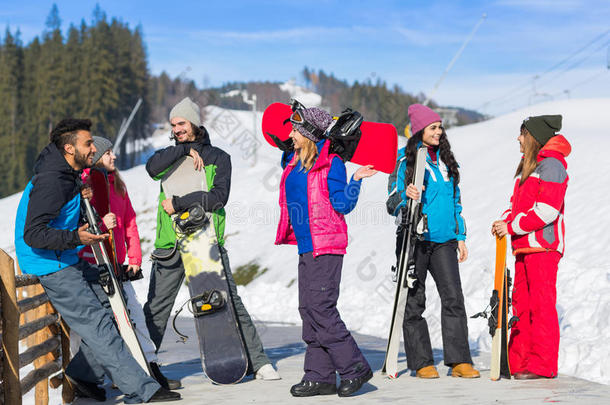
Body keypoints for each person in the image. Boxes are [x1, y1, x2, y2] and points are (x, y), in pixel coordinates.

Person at [14, 118, 180, 403]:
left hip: (65, 254)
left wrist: (79, 207)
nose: (94, 148)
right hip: (50, 262)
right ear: (69, 148)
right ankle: (140, 390)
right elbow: (33, 233)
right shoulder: (52, 181)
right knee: (98, 322)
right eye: (88, 143)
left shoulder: (69, 174)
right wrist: (77, 238)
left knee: (112, 310)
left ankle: (83, 375)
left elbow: (60, 218)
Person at [143, 97, 280, 380]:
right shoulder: (169, 155)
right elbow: (151, 168)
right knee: (157, 309)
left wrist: (180, 202)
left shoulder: (219, 158)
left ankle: (258, 361)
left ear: (194, 122)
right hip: (170, 243)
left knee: (228, 300)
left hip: (205, 243)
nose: (177, 128)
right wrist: (183, 151)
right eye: (173, 125)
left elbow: (218, 198)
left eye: (181, 123)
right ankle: (143, 366)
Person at [271, 103, 376, 397]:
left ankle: (354, 367)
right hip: (306, 246)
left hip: (327, 245)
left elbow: (342, 204)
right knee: (308, 310)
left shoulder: (332, 164)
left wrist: (355, 181)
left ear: (308, 134)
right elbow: (284, 153)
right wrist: (283, 146)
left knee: (321, 308)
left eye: (295, 130)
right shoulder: (293, 163)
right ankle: (320, 376)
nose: (290, 134)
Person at [74, 136, 180, 390]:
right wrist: (101, 224)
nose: (114, 157)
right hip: (96, 263)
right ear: (96, 155)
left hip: (118, 264)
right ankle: (92, 375)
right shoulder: (87, 184)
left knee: (134, 318)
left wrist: (134, 258)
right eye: (108, 153)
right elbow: (81, 223)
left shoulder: (118, 185)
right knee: (110, 323)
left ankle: (149, 367)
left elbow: (130, 222)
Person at [387, 104, 479, 379]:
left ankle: (460, 360)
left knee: (453, 298)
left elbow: (455, 202)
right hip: (414, 240)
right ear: (419, 132)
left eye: (440, 127)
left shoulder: (447, 162)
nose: (439, 132)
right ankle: (422, 361)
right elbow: (392, 202)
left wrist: (460, 236)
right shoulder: (404, 161)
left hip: (444, 241)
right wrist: (407, 197)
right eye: (433, 128)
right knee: (415, 301)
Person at [491, 115, 570, 379]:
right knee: (521, 305)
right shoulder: (529, 166)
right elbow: (516, 206)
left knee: (541, 306)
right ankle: (519, 362)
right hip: (524, 247)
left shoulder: (552, 166)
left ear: (533, 136)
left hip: (543, 249)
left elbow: (547, 210)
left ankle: (543, 365)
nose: (518, 138)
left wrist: (511, 227)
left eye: (522, 133)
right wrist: (505, 221)